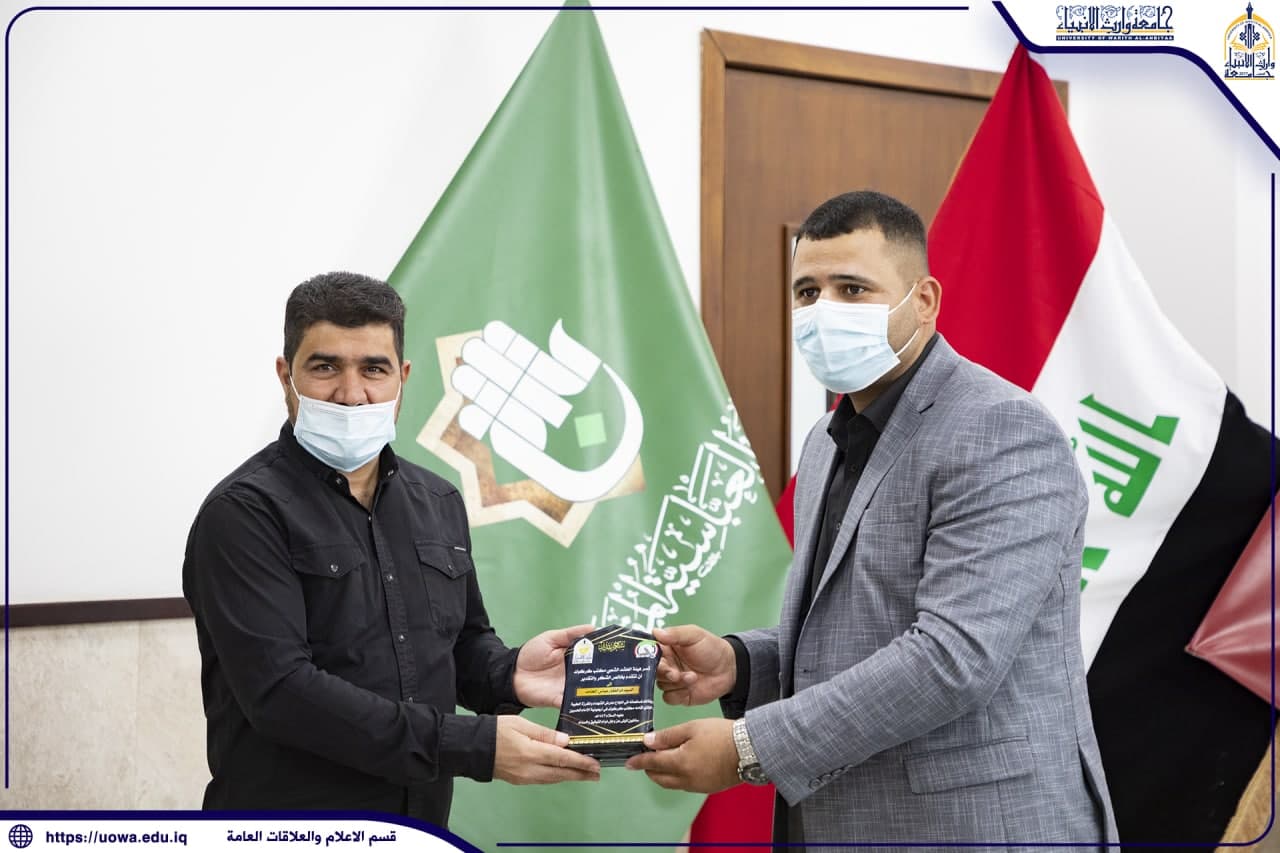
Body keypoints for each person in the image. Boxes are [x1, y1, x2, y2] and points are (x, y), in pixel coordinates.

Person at [626, 191, 1119, 849]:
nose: (824, 311)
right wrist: (739, 664)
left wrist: (748, 746)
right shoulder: (825, 441)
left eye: (852, 288)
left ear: (924, 300)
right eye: (807, 292)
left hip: (974, 829)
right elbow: (862, 628)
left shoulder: (999, 429)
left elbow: (952, 657)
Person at [182, 271, 599, 826]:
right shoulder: (243, 514)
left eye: (373, 369)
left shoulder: (438, 500)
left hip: (419, 827)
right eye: (325, 367)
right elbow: (282, 693)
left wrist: (510, 672)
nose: (352, 394)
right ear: (286, 376)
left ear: (401, 378)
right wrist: (473, 744)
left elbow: (459, 645)